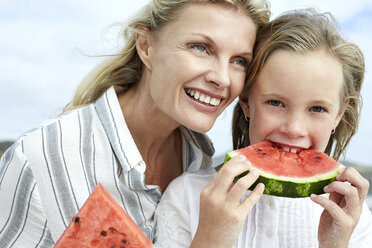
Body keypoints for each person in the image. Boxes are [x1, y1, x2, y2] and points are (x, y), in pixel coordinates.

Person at [0, 0, 271, 247]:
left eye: (239, 61)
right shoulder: (41, 160)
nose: (222, 78)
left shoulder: (200, 161)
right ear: (146, 46)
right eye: (200, 47)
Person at [154, 9, 372, 248]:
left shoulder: (351, 216)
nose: (294, 129)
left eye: (317, 109)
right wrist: (211, 239)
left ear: (339, 114)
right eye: (276, 103)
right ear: (246, 102)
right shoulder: (187, 195)